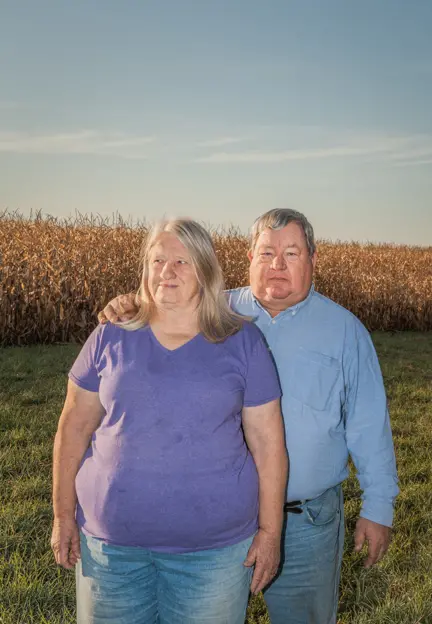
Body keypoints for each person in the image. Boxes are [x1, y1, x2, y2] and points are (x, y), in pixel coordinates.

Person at [100, 209, 399, 624]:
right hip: (215, 526)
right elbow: (155, 307)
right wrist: (130, 303)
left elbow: (369, 426)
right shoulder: (209, 312)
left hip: (304, 522)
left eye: (291, 253)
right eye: (267, 252)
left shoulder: (345, 331)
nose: (277, 264)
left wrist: (378, 507)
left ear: (313, 259)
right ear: (249, 258)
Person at [51, 218, 288, 624]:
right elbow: (72, 428)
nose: (167, 271)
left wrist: (270, 533)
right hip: (110, 550)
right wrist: (61, 515)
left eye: (182, 261)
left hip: (213, 554)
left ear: (206, 271)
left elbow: (269, 446)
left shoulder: (242, 342)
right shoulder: (111, 335)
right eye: (158, 260)